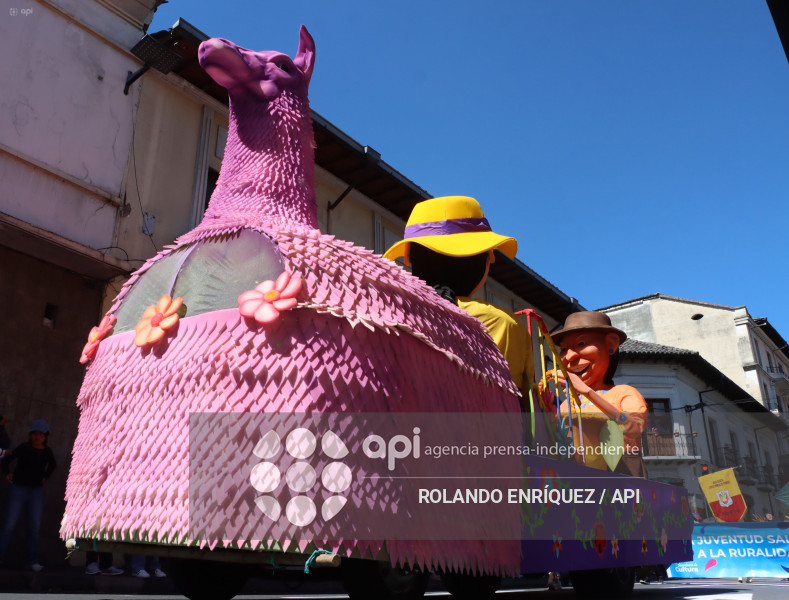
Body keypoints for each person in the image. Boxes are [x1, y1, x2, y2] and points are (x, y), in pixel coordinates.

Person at [383, 195, 533, 388]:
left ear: (412, 259)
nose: (493, 259)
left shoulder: (387, 311)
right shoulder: (501, 323)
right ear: (473, 259)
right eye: (488, 252)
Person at [551, 311, 647, 477]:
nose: (569, 356)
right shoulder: (566, 404)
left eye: (581, 343)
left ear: (610, 344)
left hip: (622, 472)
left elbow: (634, 428)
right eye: (564, 349)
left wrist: (587, 392)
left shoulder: (623, 392)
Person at [0, 419, 56, 571]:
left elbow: (53, 465)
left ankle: (31, 561)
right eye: (35, 434)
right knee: (9, 525)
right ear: (30, 435)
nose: (37, 437)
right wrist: (7, 474)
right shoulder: (24, 448)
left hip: (35, 491)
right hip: (18, 489)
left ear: (45, 436)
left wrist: (46, 476)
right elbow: (6, 460)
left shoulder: (47, 451)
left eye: (41, 434)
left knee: (34, 528)